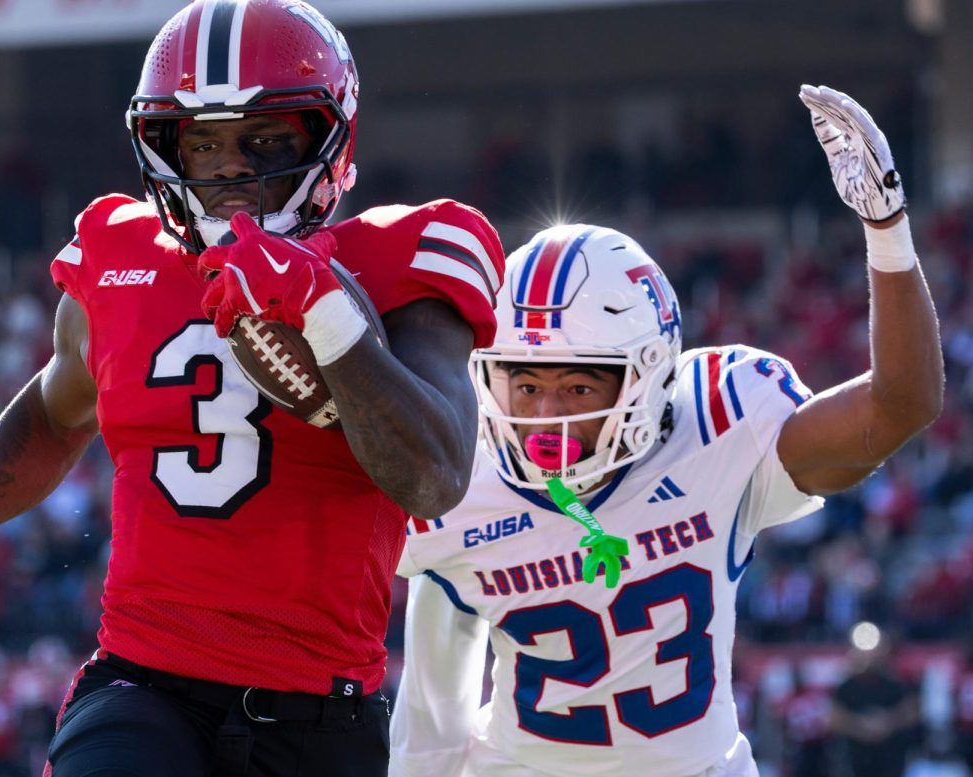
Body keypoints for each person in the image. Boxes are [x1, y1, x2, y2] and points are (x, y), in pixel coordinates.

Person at [0, 2, 505, 775]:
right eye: (201, 140)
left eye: (264, 138)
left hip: (319, 711)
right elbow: (57, 413)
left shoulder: (403, 258)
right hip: (141, 684)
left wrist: (323, 304)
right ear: (164, 145)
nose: (229, 166)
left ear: (328, 136)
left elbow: (432, 475)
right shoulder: (120, 254)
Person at [389, 85, 942, 776]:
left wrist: (885, 229)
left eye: (578, 385)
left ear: (647, 375)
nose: (544, 415)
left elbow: (901, 406)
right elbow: (423, 706)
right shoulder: (456, 480)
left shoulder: (717, 424)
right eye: (525, 384)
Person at [830, 635, 918, 777]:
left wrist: (887, 723)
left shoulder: (894, 685)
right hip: (856, 757)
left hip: (890, 756)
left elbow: (912, 712)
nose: (869, 658)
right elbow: (834, 720)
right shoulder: (846, 688)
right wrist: (862, 728)